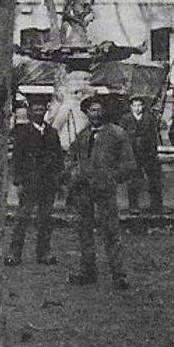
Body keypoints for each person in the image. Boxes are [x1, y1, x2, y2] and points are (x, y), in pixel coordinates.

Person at [63, 93, 137, 290]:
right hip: (83, 190)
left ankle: (119, 275)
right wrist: (72, 171)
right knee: (84, 231)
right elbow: (70, 156)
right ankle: (88, 271)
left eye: (99, 110)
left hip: (104, 190)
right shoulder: (83, 135)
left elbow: (129, 164)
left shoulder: (117, 134)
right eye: (92, 110)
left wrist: (111, 177)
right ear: (87, 113)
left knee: (111, 232)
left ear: (105, 112)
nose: (95, 114)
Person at [4, 99, 65, 266]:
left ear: (45, 111)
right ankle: (14, 253)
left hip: (48, 183)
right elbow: (17, 158)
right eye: (35, 110)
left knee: (45, 219)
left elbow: (58, 157)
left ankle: (44, 252)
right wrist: (18, 181)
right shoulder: (23, 133)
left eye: (41, 110)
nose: (38, 113)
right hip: (30, 182)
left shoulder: (52, 132)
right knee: (22, 218)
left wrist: (59, 180)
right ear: (30, 112)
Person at [119, 94, 163, 212]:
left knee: (154, 178)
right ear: (130, 107)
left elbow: (153, 136)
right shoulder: (126, 119)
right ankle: (133, 205)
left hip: (148, 152)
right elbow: (122, 137)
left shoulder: (149, 118)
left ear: (143, 106)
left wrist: (154, 152)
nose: (137, 108)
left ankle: (156, 205)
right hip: (133, 153)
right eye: (134, 106)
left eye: (139, 105)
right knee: (134, 179)